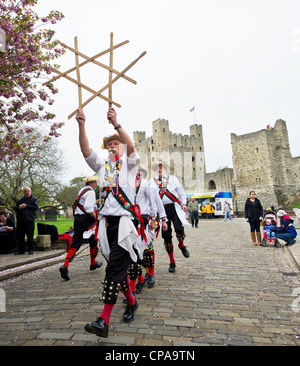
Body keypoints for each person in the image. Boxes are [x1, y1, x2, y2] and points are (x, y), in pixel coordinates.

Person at [75, 107, 140, 338]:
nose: (112, 146)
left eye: (116, 143)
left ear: (121, 148)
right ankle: (131, 302)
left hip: (123, 224)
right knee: (117, 270)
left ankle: (103, 320)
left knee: (113, 270)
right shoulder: (103, 167)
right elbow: (85, 151)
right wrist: (82, 124)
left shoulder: (131, 166)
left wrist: (116, 123)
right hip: (105, 225)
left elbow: (132, 147)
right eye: (109, 144)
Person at [149, 161, 190, 273]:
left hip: (173, 208)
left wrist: (184, 203)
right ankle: (172, 261)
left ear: (165, 169)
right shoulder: (151, 183)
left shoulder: (172, 179)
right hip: (161, 211)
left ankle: (181, 245)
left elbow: (181, 192)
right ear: (155, 170)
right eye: (158, 168)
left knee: (179, 229)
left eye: (162, 167)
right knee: (166, 237)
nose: (160, 169)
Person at [59, 176, 102, 281]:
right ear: (91, 183)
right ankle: (92, 263)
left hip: (78, 219)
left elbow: (86, 203)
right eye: (95, 183)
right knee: (94, 239)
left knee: (76, 242)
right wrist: (95, 216)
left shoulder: (82, 190)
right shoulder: (91, 192)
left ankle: (65, 265)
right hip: (87, 219)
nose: (96, 185)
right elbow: (88, 207)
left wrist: (99, 200)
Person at [14, 187, 38, 255]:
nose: (27, 193)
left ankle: (31, 249)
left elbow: (36, 207)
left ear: (30, 191)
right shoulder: (21, 200)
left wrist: (26, 206)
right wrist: (19, 207)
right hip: (21, 221)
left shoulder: (34, 199)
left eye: (28, 191)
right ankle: (21, 250)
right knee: (20, 236)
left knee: (30, 236)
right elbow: (15, 208)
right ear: (24, 192)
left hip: (29, 220)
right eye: (26, 191)